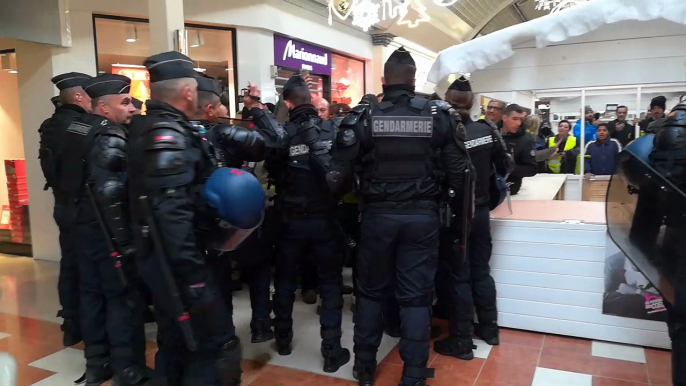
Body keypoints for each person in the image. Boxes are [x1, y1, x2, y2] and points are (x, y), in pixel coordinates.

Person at [341, 47, 471, 386]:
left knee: (370, 293)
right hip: (422, 218)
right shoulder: (439, 115)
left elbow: (336, 175)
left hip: (377, 219)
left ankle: (365, 368)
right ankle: (413, 375)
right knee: (416, 299)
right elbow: (461, 174)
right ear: (414, 80)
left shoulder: (364, 117)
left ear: (384, 81)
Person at [127, 51, 242, 385]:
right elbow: (172, 217)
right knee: (215, 348)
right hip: (181, 267)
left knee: (175, 342)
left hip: (164, 262)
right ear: (188, 92)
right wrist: (196, 282)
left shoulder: (152, 128)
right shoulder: (169, 137)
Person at [266, 73, 352, 373]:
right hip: (324, 220)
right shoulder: (332, 130)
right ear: (312, 99)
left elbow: (273, 174)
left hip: (290, 220)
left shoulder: (282, 136)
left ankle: (284, 340)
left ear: (288, 102)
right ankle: (331, 351)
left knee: (286, 282)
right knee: (330, 284)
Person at [73, 73, 151, 385]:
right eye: (125, 102)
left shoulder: (74, 130)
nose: (133, 108)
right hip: (107, 233)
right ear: (103, 108)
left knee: (91, 297)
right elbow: (110, 194)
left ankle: (96, 363)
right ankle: (127, 369)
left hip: (80, 228)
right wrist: (125, 244)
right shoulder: (111, 136)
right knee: (121, 299)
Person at [194, 76, 282, 344]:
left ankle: (225, 335)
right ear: (210, 109)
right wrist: (255, 106)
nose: (225, 111)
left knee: (218, 280)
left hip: (201, 224)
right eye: (221, 106)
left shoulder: (175, 135)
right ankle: (260, 325)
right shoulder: (222, 133)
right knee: (258, 267)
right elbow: (276, 139)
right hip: (234, 218)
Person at [434, 76, 513, 360]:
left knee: (458, 276)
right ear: (472, 101)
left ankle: (462, 339)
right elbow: (505, 166)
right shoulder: (487, 129)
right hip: (481, 212)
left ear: (447, 100)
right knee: (481, 270)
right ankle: (490, 329)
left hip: (455, 214)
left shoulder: (443, 133)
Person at [38, 72, 93, 349]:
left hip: (62, 203)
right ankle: (89, 326)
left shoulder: (50, 125)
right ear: (80, 96)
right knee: (89, 268)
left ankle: (71, 324)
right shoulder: (82, 125)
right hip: (85, 206)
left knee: (70, 264)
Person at [501, 104, 537, 195]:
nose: (518, 123)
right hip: (486, 189)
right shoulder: (492, 134)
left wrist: (506, 168)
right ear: (504, 118)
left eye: (521, 119)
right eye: (515, 119)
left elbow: (532, 169)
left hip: (510, 188)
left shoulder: (525, 140)